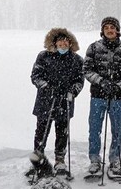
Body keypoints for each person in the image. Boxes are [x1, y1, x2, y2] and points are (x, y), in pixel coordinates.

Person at [83, 17, 121, 179]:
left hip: (117, 97)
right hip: (97, 96)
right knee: (94, 129)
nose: (109, 30)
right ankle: (94, 159)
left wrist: (120, 85)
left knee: (117, 130)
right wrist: (101, 82)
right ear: (102, 30)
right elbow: (86, 70)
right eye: (106, 27)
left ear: (117, 30)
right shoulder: (93, 48)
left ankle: (115, 159)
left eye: (112, 27)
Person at [30, 28, 85, 175]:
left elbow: (80, 81)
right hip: (45, 101)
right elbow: (35, 76)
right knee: (41, 132)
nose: (63, 43)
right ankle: (37, 160)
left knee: (62, 132)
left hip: (64, 102)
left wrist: (72, 91)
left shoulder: (77, 60)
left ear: (70, 42)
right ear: (54, 42)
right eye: (60, 40)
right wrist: (47, 87)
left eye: (66, 40)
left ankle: (60, 160)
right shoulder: (43, 56)